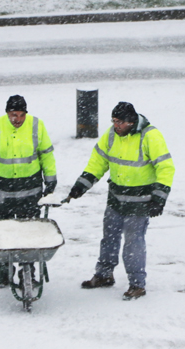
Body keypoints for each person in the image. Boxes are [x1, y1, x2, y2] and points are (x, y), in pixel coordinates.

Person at [65, 101, 174, 300]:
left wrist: (159, 197)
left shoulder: (150, 136)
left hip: (139, 202)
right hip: (116, 199)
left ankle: (137, 284)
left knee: (133, 244)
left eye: (120, 122)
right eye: (114, 121)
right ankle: (104, 274)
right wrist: (81, 185)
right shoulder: (111, 135)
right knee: (109, 238)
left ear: (131, 122)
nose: (116, 126)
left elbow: (165, 167)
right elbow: (98, 162)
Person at [0, 95, 57, 288]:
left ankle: (27, 272)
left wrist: (51, 180)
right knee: (3, 233)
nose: (17, 119)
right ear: (7, 113)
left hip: (30, 189)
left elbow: (46, 154)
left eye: (21, 115)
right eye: (13, 115)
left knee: (29, 233)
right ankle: (5, 271)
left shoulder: (36, 125)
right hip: (1, 188)